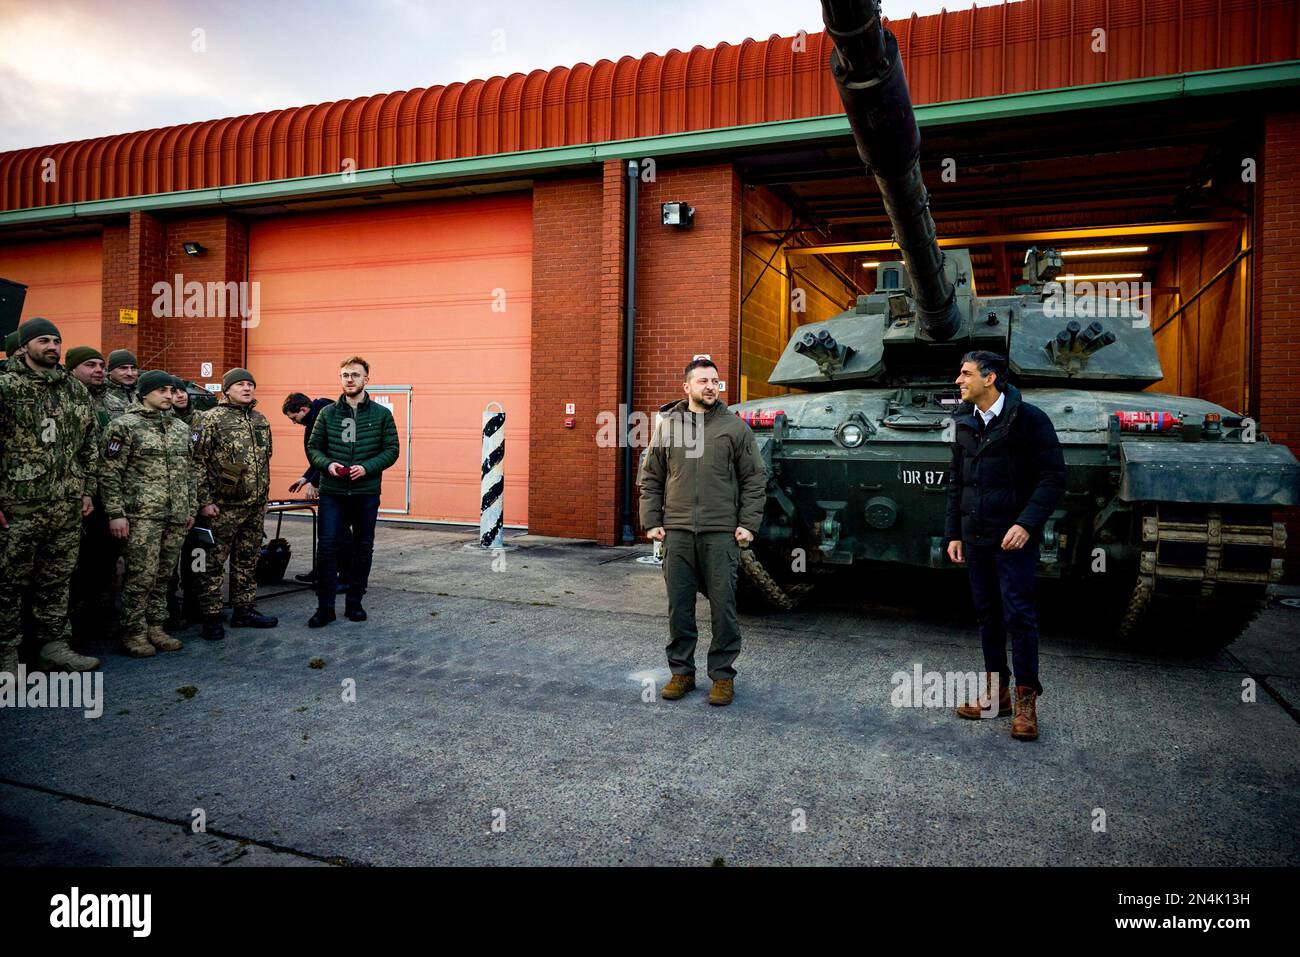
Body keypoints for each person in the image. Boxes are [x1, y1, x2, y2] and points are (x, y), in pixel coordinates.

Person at [944, 351, 1065, 741]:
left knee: (1019, 617)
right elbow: (956, 484)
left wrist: (1027, 524)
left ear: (990, 378)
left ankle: (1026, 700)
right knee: (987, 616)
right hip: (976, 535)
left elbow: (1052, 477)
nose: (958, 380)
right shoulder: (964, 421)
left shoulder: (1029, 420)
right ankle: (997, 694)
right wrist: (954, 533)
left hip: (1012, 537)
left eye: (965, 374)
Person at [638, 357, 766, 707]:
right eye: (702, 381)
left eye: (715, 381)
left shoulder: (734, 428)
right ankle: (681, 672)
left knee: (723, 608)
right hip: (677, 531)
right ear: (687, 387)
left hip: (720, 533)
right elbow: (652, 478)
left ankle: (722, 677)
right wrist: (651, 521)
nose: (710, 386)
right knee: (679, 608)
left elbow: (754, 479)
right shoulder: (669, 427)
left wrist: (747, 524)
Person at [0, 318, 101, 674]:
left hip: (66, 505)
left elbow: (90, 443)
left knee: (57, 580)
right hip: (17, 506)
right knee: (7, 583)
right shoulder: (5, 385)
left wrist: (86, 489)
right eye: (43, 340)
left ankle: (54, 645)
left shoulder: (72, 390)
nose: (53, 347)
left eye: (57, 341)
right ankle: (6, 656)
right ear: (25, 345)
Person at [100, 371, 197, 657]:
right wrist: (115, 512)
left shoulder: (180, 427)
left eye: (172, 390)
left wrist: (190, 506)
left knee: (164, 575)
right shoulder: (124, 426)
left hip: (175, 514)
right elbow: (109, 471)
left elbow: (189, 471)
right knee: (141, 575)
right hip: (142, 515)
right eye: (162, 390)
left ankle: (156, 626)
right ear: (144, 394)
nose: (169, 395)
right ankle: (134, 631)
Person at [305, 357, 399, 627]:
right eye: (345, 375)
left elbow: (391, 450)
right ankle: (325, 608)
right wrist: (328, 464)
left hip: (366, 492)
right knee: (327, 547)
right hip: (333, 491)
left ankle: (355, 603)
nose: (349, 379)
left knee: (363, 547)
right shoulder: (327, 414)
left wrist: (366, 468)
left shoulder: (381, 414)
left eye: (355, 375)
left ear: (366, 380)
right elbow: (314, 449)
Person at [191, 367, 278, 640]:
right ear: (226, 389)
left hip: (253, 506)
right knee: (212, 562)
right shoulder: (209, 419)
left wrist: (263, 497)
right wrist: (204, 500)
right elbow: (196, 462)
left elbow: (265, 461)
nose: (246, 388)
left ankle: (244, 609)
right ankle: (212, 615)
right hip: (222, 506)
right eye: (239, 384)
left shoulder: (259, 419)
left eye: (250, 384)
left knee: (247, 560)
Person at [65, 346, 119, 642]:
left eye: (101, 364)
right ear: (73, 368)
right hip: (67, 497)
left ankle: (96, 625)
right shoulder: (64, 398)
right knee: (67, 568)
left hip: (103, 496)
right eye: (90, 365)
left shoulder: (114, 402)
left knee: (101, 563)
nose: (98, 369)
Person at [284, 391, 352, 586]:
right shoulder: (315, 418)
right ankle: (323, 572)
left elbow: (332, 454)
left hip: (339, 486)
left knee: (339, 531)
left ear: (303, 409)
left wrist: (315, 482)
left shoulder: (326, 417)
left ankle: (346, 578)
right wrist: (306, 478)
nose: (294, 423)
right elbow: (318, 456)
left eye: (294, 418)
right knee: (326, 531)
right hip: (329, 483)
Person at [102, 349, 139, 416]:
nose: (130, 373)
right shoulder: (100, 392)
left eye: (133, 368)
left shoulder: (145, 392)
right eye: (123, 368)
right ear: (110, 371)